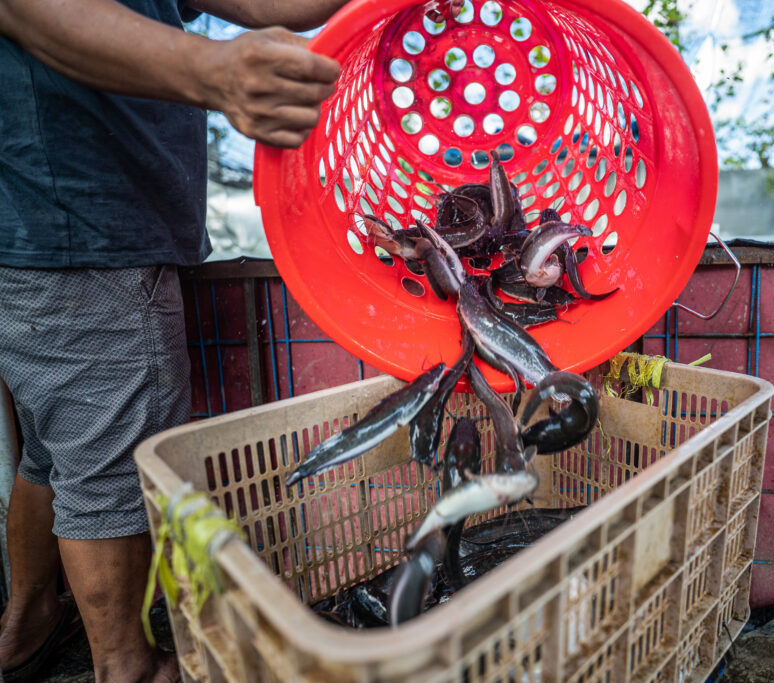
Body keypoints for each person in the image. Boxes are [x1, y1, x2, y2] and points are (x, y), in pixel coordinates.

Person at [0, 1, 459, 681]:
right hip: (77, 225)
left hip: (78, 228)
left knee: (57, 449)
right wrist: (211, 68)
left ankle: (31, 620)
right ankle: (125, 665)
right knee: (112, 470)